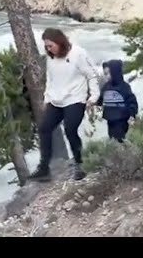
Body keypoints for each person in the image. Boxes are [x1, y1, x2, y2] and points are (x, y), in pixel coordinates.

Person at [28, 28, 100, 182]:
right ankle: (44, 167)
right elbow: (50, 79)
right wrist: (47, 98)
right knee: (44, 129)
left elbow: (91, 75)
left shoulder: (78, 53)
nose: (48, 49)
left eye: (50, 46)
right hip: (56, 100)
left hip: (75, 98)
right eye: (46, 47)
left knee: (70, 129)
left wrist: (93, 97)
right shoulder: (51, 58)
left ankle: (80, 164)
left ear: (60, 42)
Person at [97, 60, 138, 142]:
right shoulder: (106, 86)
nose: (107, 76)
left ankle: (123, 152)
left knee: (120, 138)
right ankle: (117, 152)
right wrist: (98, 110)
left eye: (109, 73)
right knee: (112, 138)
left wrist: (132, 115)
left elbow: (132, 101)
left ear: (115, 72)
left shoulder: (124, 87)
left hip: (121, 119)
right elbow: (101, 99)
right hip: (110, 118)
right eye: (105, 74)